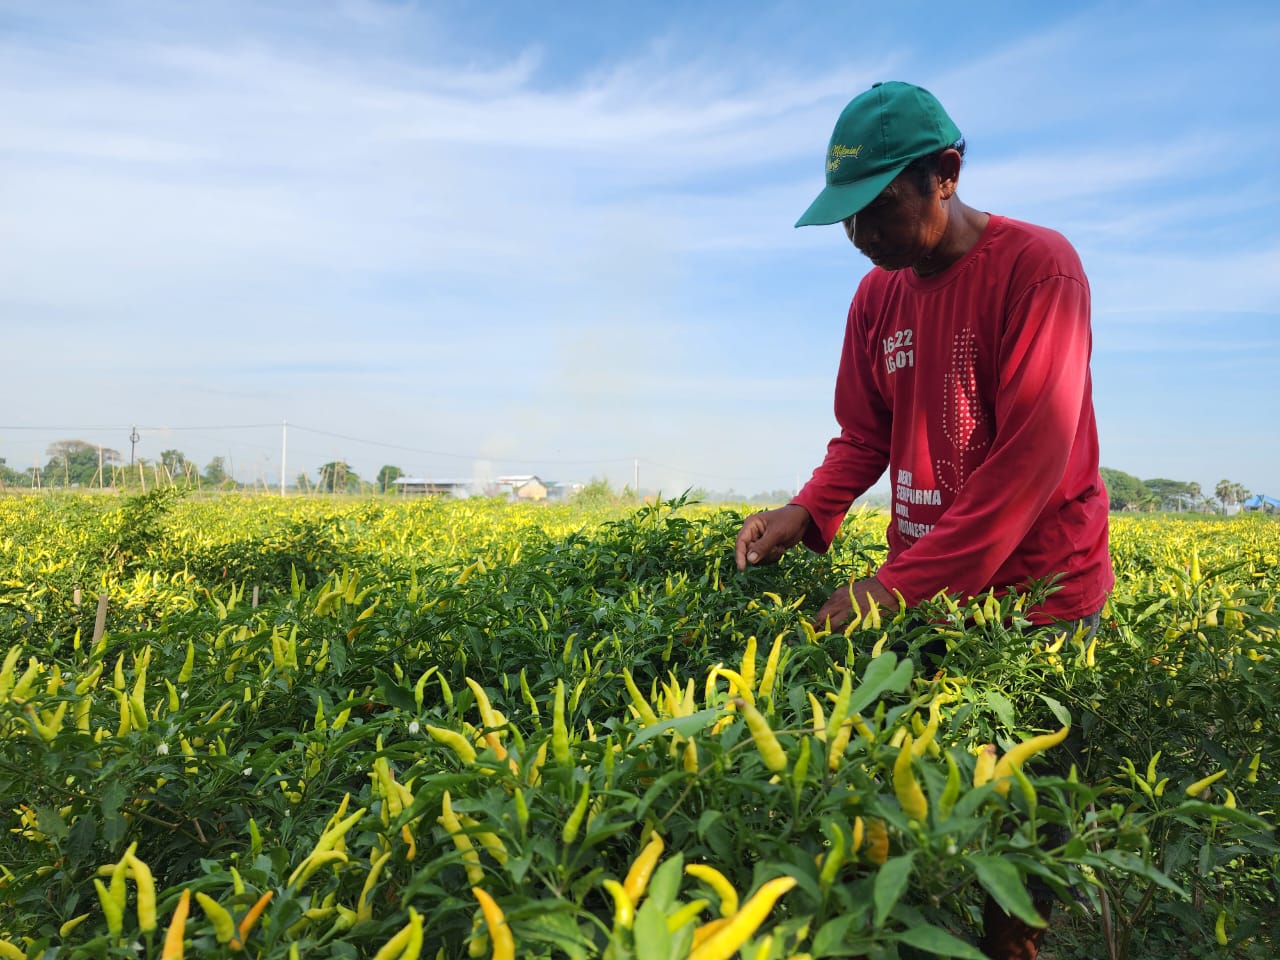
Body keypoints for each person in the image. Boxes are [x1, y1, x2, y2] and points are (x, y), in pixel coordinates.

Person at [733, 81, 1115, 959]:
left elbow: (1029, 463)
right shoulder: (879, 296)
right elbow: (864, 434)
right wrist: (808, 508)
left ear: (945, 174)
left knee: (1025, 823)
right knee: (920, 796)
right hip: (930, 593)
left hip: (1039, 599)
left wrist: (892, 587)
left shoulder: (1039, 269)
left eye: (878, 207)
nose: (861, 235)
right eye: (846, 217)